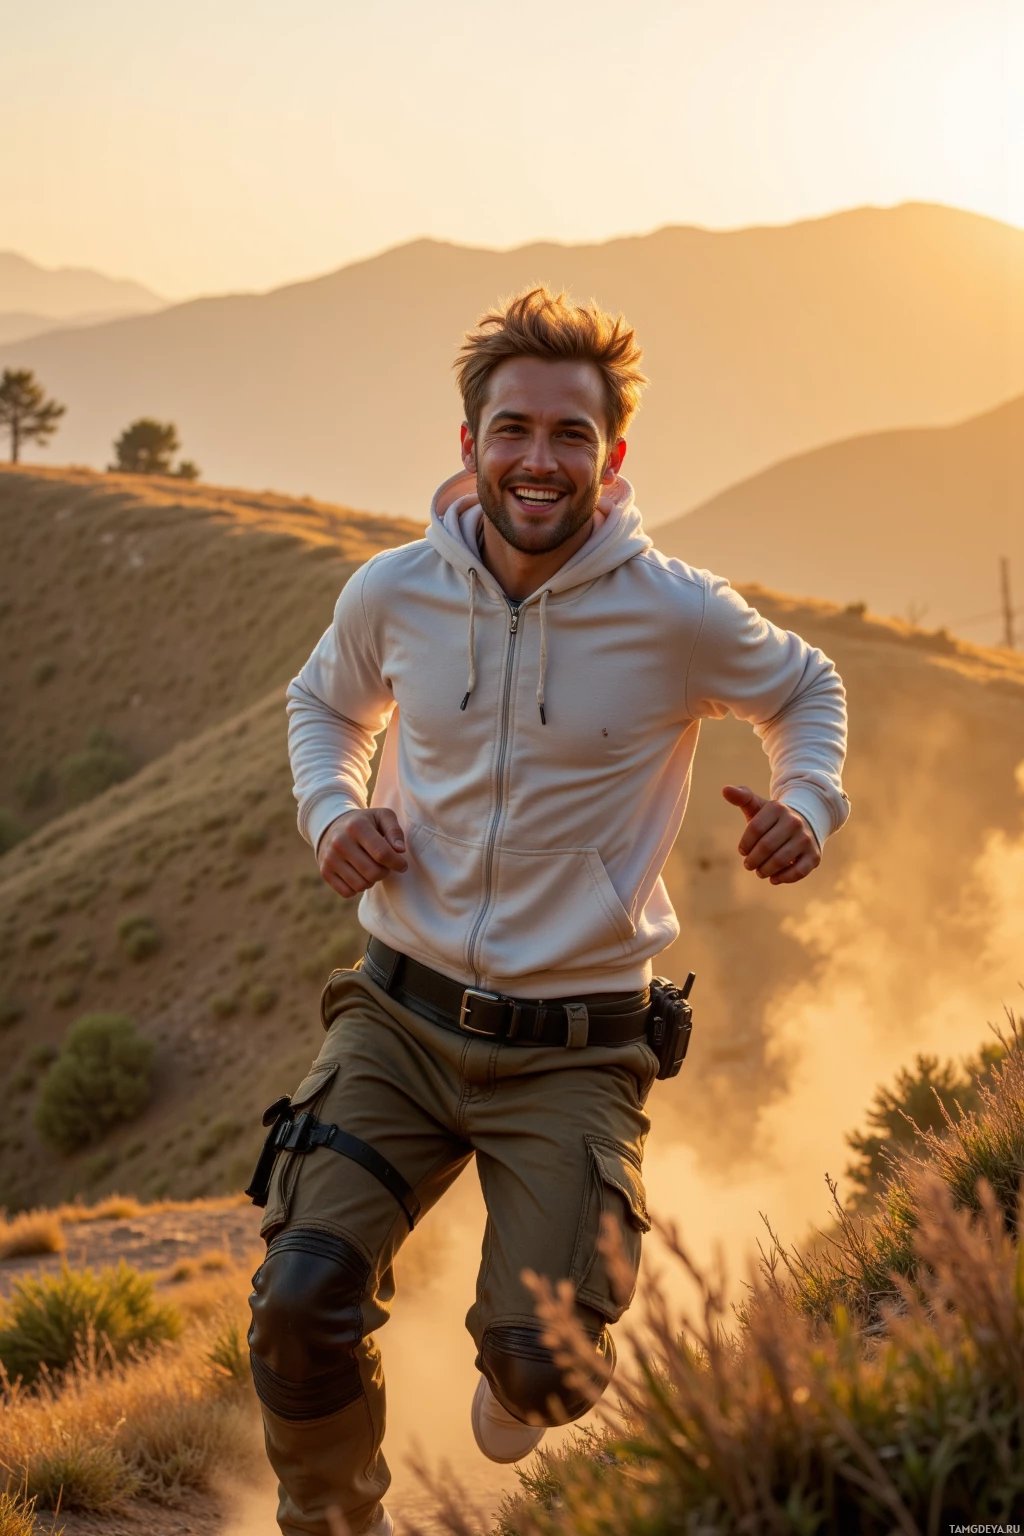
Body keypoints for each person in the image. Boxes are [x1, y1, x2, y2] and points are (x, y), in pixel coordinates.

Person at [246, 287, 850, 1536]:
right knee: (302, 1297)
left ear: (611, 458)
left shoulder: (674, 613)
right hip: (397, 1021)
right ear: (468, 444)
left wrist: (808, 799)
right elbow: (325, 708)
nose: (537, 458)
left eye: (569, 435)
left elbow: (807, 687)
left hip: (576, 1047)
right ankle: (331, 1523)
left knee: (546, 1366)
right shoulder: (394, 591)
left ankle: (523, 1375)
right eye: (511, 428)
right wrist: (330, 813)